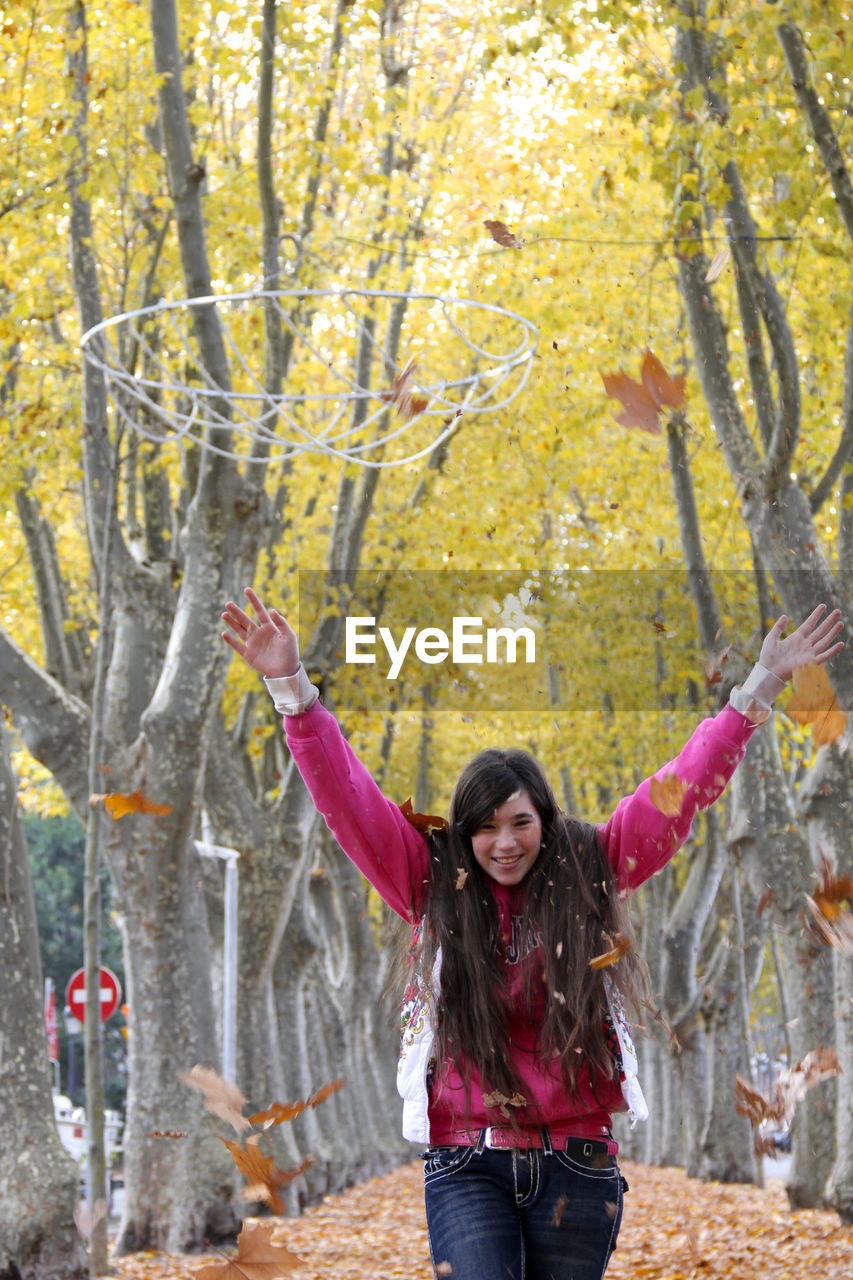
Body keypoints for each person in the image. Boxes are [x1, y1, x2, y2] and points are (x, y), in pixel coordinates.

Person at [221, 590, 843, 1280]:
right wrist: (291, 690)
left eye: (517, 822)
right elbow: (348, 798)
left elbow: (682, 786)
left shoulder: (593, 868)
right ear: (464, 832)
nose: (503, 842)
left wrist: (758, 688)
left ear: (542, 819)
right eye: (484, 827)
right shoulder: (427, 885)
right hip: (465, 1161)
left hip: (576, 1160)